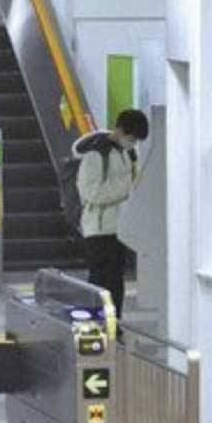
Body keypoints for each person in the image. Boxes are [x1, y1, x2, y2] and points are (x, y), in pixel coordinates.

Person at [75, 108, 150, 318]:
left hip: (120, 228)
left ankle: (113, 323)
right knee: (101, 281)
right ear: (120, 130)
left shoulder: (127, 154)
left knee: (116, 281)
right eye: (131, 138)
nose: (132, 143)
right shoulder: (96, 154)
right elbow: (91, 193)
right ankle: (97, 323)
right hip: (98, 230)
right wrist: (127, 187)